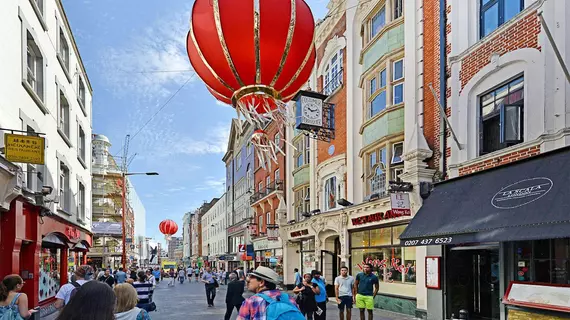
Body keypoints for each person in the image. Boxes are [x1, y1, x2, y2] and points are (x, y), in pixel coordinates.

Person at [237, 266, 302, 320]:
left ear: (261, 282)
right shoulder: (288, 298)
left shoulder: (251, 302)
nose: (248, 280)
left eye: (252, 277)